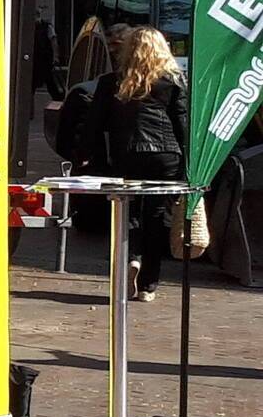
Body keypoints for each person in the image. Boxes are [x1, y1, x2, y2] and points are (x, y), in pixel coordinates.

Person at [74, 27, 189, 302]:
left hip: (127, 155)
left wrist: (85, 156)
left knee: (128, 214)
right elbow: (182, 124)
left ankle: (131, 258)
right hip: (165, 155)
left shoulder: (111, 82)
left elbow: (93, 125)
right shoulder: (171, 83)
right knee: (155, 217)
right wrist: (188, 163)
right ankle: (149, 285)